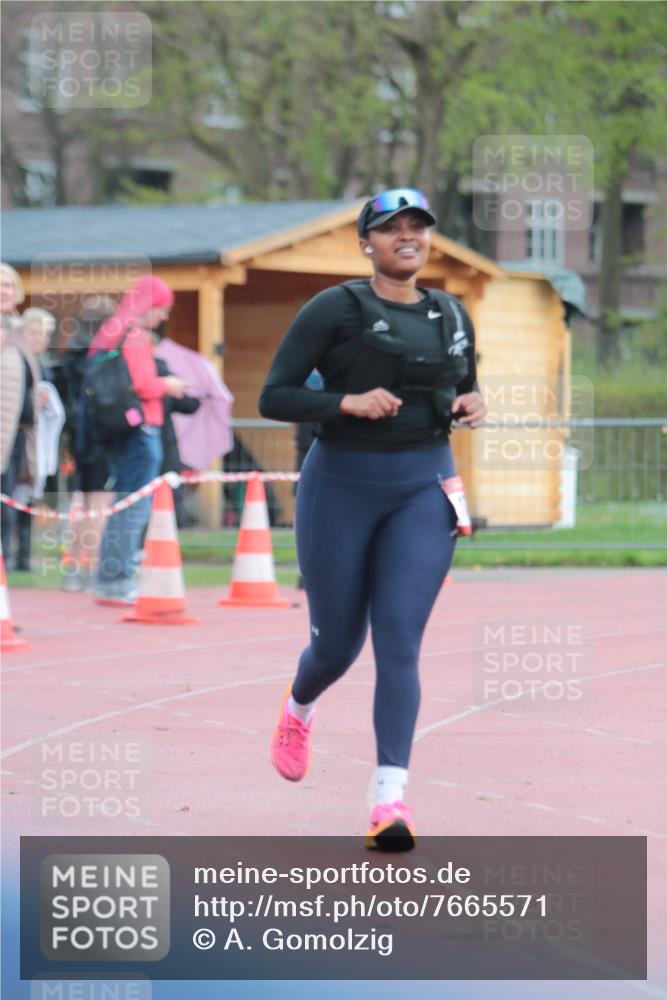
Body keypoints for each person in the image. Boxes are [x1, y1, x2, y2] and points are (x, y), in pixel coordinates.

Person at [259, 189, 486, 850]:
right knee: (336, 645)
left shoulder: (451, 313)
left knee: (398, 640)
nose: (406, 237)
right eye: (391, 229)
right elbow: (275, 395)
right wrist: (345, 402)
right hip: (341, 487)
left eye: (416, 227)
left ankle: (389, 800)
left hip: (423, 487)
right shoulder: (334, 308)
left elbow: (462, 385)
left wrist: (472, 403)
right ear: (367, 243)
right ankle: (299, 707)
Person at [89, 275, 188, 605]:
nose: (163, 317)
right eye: (161, 309)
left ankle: (110, 578)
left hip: (121, 430)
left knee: (123, 505)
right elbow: (144, 385)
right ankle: (116, 581)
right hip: (141, 431)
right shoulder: (135, 335)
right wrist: (168, 384)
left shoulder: (112, 331)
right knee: (133, 508)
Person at [60, 295, 116, 590]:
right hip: (99, 435)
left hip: (77, 435)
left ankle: (73, 569)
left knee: (82, 502)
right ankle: (91, 567)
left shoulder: (71, 355)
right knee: (99, 503)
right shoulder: (101, 356)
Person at [11, 308, 65, 571]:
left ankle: (23, 556)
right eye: (35, 333)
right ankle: (7, 556)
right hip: (15, 436)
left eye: (45, 335)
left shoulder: (45, 364)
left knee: (28, 496)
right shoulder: (14, 359)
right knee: (10, 495)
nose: (41, 339)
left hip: (35, 439)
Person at [0, 263, 39, 566]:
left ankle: (9, 557)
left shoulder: (18, 331)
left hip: (17, 434)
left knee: (10, 499)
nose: (4, 291)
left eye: (9, 285)